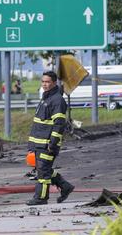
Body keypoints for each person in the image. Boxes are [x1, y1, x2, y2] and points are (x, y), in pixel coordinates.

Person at [26, 71, 74, 206]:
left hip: (47, 144)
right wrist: (31, 144)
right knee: (44, 169)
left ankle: (41, 198)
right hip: (38, 143)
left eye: (47, 82)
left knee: (43, 173)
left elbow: (59, 125)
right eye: (43, 81)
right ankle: (65, 186)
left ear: (54, 83)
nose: (44, 84)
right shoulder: (45, 98)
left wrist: (52, 143)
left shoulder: (57, 100)